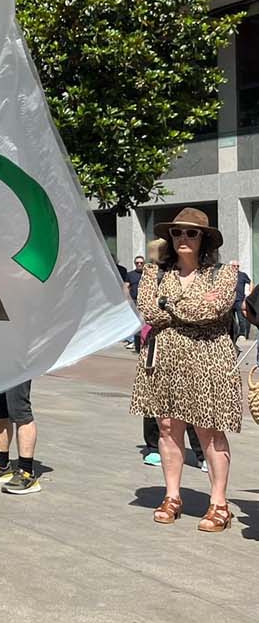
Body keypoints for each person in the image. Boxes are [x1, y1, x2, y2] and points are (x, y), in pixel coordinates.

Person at [130, 209, 241, 531]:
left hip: (209, 357)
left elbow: (212, 309)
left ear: (204, 238)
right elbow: (148, 309)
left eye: (191, 233)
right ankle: (172, 496)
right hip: (164, 358)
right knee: (166, 426)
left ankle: (219, 503)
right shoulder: (155, 272)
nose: (183, 238)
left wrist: (168, 305)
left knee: (208, 429)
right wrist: (178, 307)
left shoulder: (223, 274)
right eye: (177, 232)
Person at [126, 255, 144, 349]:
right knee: (134, 321)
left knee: (144, 321)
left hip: (145, 302)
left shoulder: (147, 274)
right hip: (134, 300)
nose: (139, 264)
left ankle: (143, 341)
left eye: (141, 263)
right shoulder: (130, 274)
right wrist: (127, 299)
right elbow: (126, 287)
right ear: (135, 264)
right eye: (137, 263)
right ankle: (133, 341)